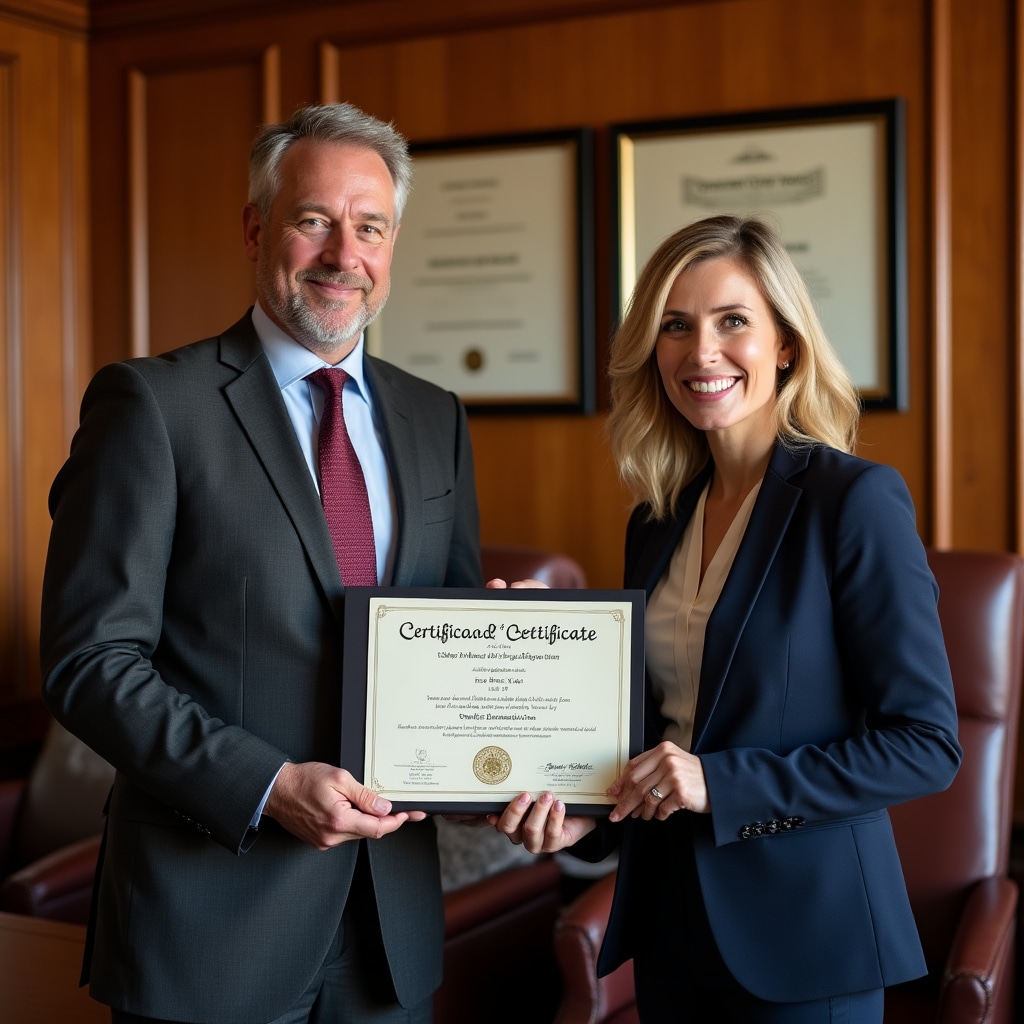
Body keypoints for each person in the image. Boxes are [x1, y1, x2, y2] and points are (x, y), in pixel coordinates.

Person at [39, 102, 482, 1024]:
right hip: (210, 921)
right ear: (256, 229)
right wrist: (270, 786)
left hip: (387, 927)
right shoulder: (153, 406)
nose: (342, 254)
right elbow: (90, 663)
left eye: (370, 227)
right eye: (313, 219)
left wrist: (501, 648)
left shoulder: (434, 417)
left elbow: (452, 619)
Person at [492, 215, 962, 1022]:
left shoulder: (854, 502)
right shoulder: (658, 519)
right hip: (675, 933)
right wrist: (553, 659)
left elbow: (926, 746)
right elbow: (664, 725)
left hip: (806, 942)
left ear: (785, 343)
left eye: (732, 321)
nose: (700, 352)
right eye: (676, 326)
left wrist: (723, 782)